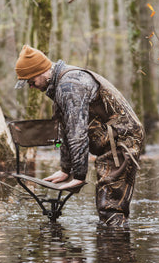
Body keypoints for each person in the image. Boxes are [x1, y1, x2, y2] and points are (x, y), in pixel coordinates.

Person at [14, 45, 145, 226]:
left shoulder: (70, 86)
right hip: (109, 140)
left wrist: (79, 175)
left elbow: (77, 133)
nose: (30, 86)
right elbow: (64, 130)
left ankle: (115, 241)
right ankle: (110, 239)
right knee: (107, 207)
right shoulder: (60, 84)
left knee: (111, 208)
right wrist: (65, 169)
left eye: (31, 80)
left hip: (122, 140)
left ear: (42, 72)